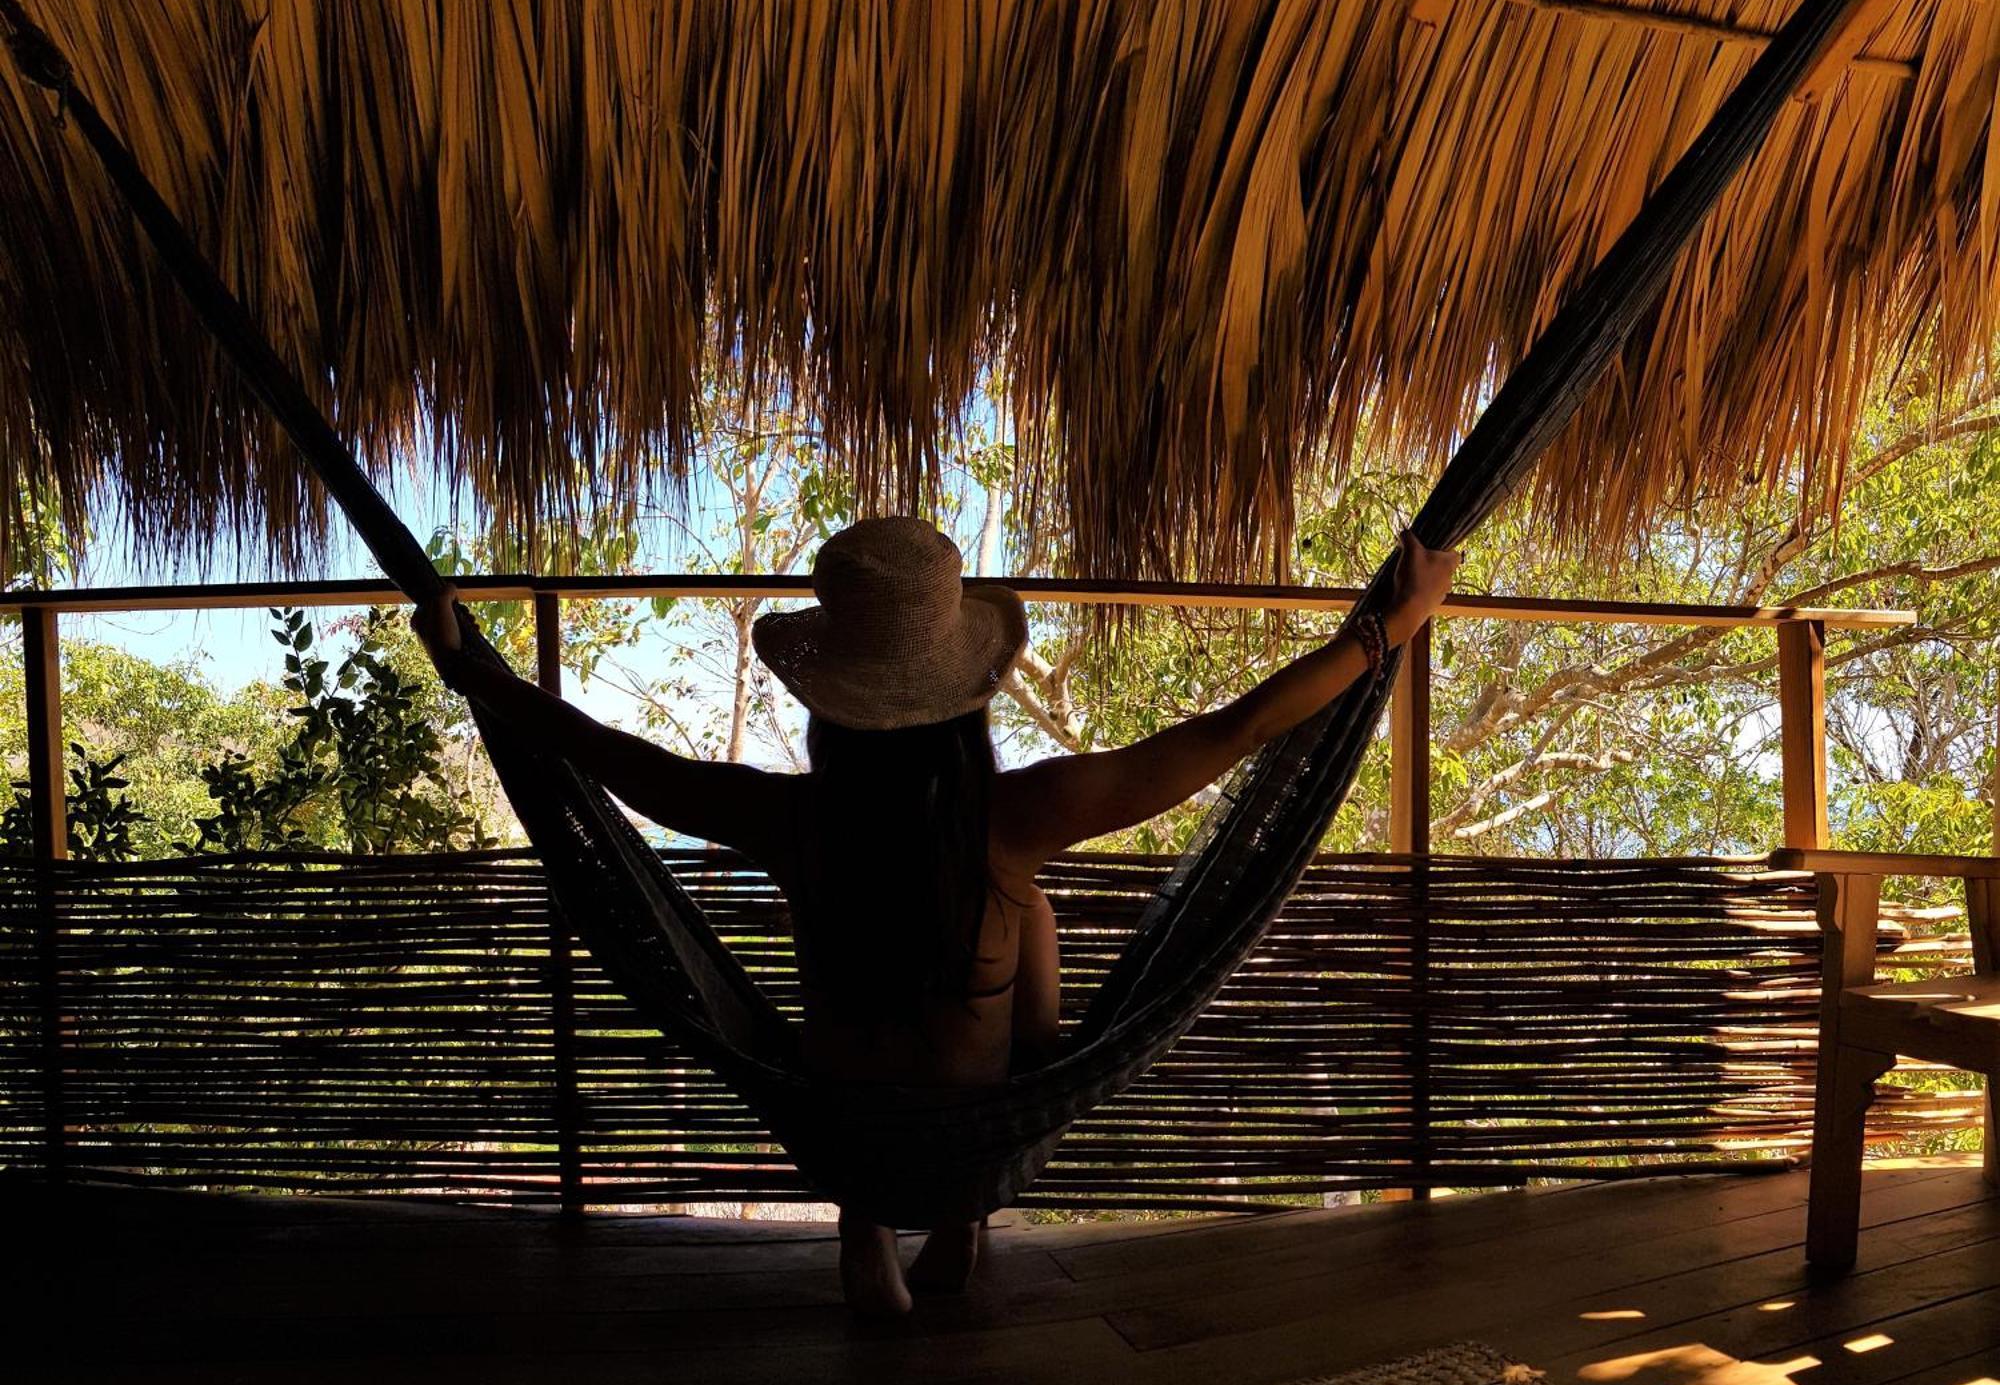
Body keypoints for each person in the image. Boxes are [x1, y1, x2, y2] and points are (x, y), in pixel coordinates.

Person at [413, 517, 1457, 1316]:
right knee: (1022, 911)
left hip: (843, 1125)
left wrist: (474, 672)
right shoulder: (1009, 819)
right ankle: (964, 1210)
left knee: (886, 949)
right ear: (964, 689)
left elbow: (608, 755)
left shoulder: (789, 818)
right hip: (972, 1128)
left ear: (830, 696)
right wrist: (1386, 632)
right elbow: (1228, 733)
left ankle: (863, 1225)